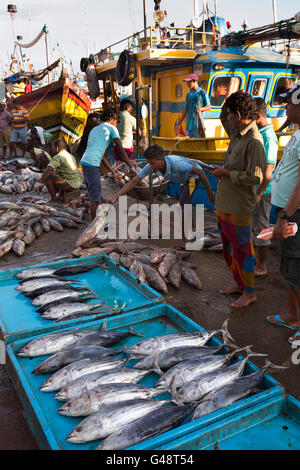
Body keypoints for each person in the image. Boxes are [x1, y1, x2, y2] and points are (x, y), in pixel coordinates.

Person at [211, 91, 266, 308]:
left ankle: (250, 292)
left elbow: (256, 176)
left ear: (240, 114)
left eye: (232, 115)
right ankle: (239, 284)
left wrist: (227, 174)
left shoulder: (254, 141)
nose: (229, 119)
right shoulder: (237, 134)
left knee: (243, 249)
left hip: (239, 206)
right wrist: (229, 100)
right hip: (225, 203)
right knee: (229, 248)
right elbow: (223, 116)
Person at [109, 144, 215, 248]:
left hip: (193, 178)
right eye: (149, 163)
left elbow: (200, 171)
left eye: (153, 163)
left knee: (181, 208)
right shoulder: (151, 166)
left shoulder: (176, 164)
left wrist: (209, 192)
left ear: (161, 159)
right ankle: (193, 228)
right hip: (183, 180)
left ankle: (184, 240)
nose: (151, 166)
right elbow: (133, 182)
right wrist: (118, 195)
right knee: (185, 205)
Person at [265, 81, 300, 345]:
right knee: (288, 267)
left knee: (295, 268)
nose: (285, 107)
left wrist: (286, 215)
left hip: (293, 213)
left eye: (289, 103)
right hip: (284, 209)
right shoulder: (296, 132)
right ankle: (292, 315)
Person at [80, 108, 134, 219]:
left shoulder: (94, 129)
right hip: (91, 164)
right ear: (111, 119)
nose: (116, 124)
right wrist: (132, 166)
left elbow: (101, 156)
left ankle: (96, 216)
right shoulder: (111, 128)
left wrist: (113, 172)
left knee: (94, 191)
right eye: (116, 122)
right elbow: (121, 151)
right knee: (94, 198)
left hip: (85, 162)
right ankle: (93, 226)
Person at [252, 98, 278, 276]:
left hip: (264, 191)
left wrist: (260, 191)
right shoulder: (260, 132)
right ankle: (257, 261)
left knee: (262, 228)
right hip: (257, 188)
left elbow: (269, 167)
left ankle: (261, 266)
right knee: (256, 227)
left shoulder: (268, 136)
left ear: (258, 116)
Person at [36, 139, 81, 203]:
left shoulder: (58, 156)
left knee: (48, 176)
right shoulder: (71, 156)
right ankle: (61, 195)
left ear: (56, 148)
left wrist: (40, 182)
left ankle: (54, 199)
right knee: (57, 173)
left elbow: (48, 170)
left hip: (70, 185)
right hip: (77, 184)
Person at [175, 73, 211, 138]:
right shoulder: (188, 95)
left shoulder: (202, 93)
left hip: (198, 125)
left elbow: (209, 107)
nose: (187, 84)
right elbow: (185, 110)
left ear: (195, 81)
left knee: (198, 143)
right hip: (189, 125)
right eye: (187, 82)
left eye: (189, 82)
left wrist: (200, 109)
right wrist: (179, 124)